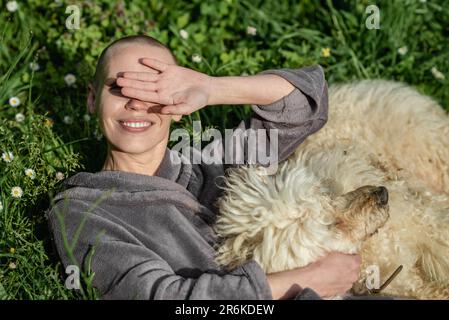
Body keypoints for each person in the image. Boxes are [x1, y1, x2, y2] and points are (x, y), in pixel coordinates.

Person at [46, 35, 361, 300]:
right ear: (91, 99)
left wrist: (211, 88)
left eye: (155, 90)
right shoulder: (82, 210)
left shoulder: (212, 165)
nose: (137, 103)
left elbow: (302, 107)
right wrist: (301, 281)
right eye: (119, 88)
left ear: (179, 105)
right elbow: (165, 298)